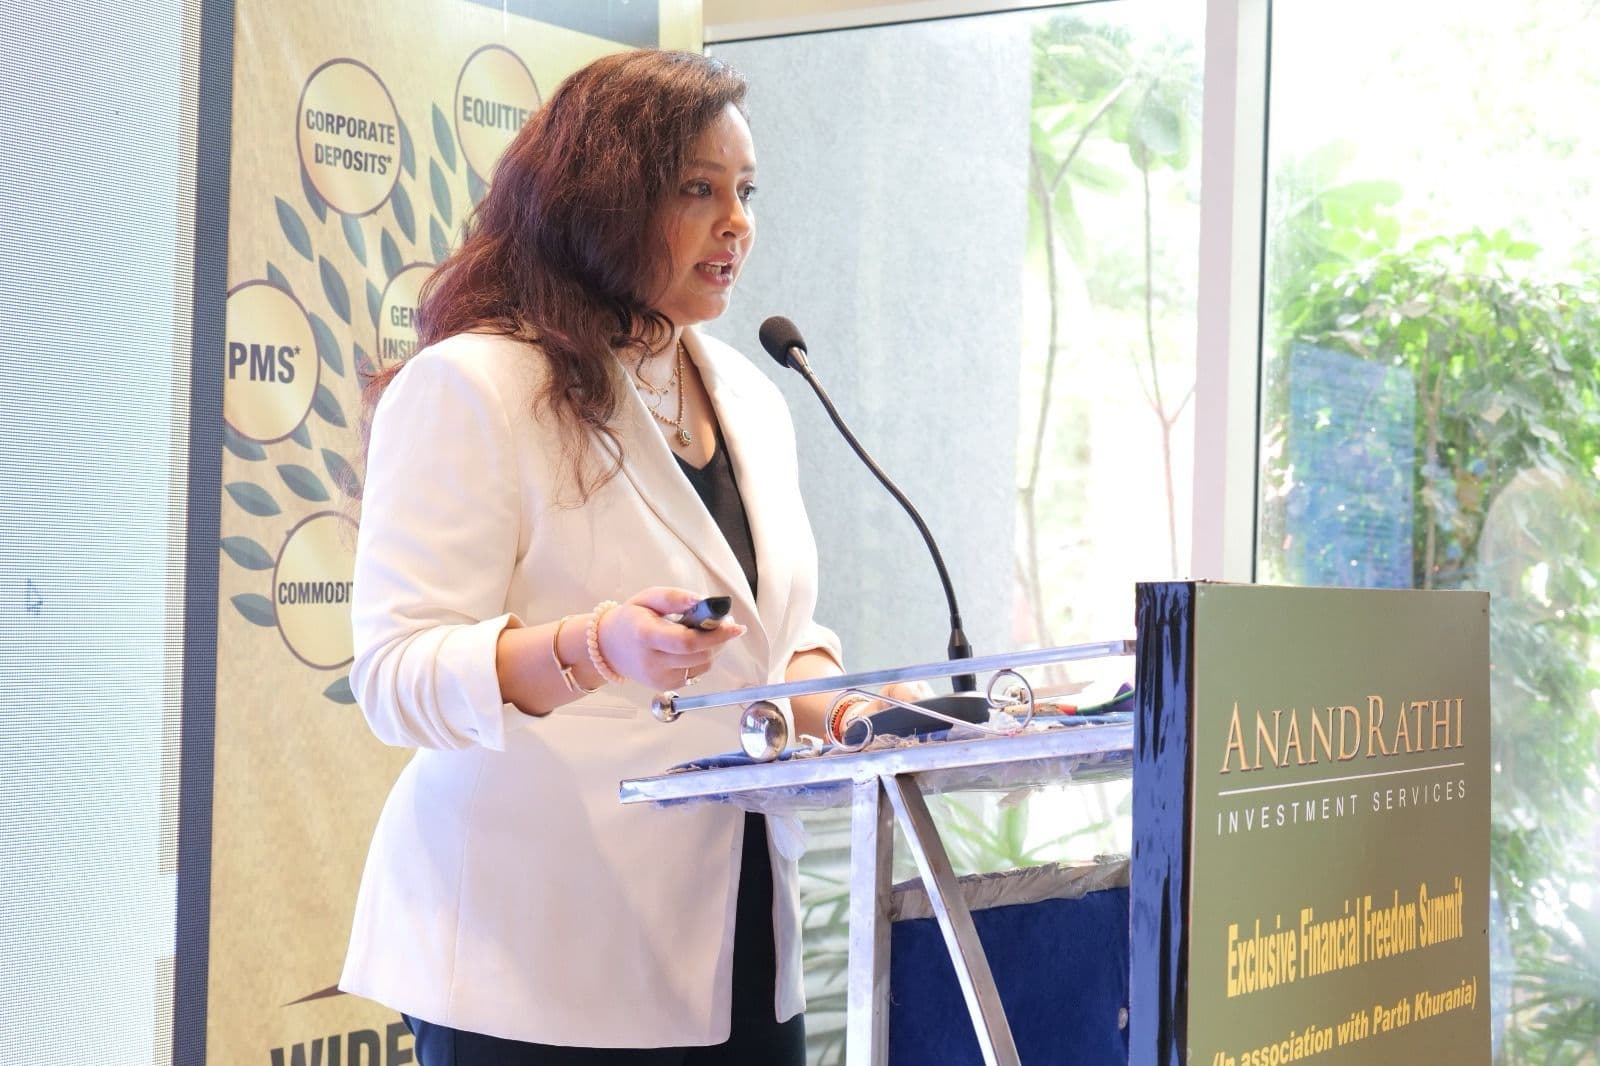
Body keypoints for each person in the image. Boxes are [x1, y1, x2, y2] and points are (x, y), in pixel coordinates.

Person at [341, 50, 921, 1065]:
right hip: (536, 953)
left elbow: (770, 639)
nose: (736, 222)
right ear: (603, 199)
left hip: (739, 935)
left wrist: (854, 712)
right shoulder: (475, 386)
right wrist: (596, 647)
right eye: (698, 189)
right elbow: (396, 678)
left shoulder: (752, 394)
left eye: (746, 192)